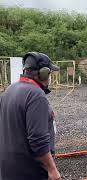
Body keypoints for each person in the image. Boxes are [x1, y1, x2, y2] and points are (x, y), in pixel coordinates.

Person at [0, 52, 61, 180]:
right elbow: (38, 139)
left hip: (9, 169)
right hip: (30, 171)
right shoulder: (36, 95)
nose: (49, 77)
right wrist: (52, 169)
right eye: (49, 73)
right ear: (43, 73)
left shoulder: (10, 89)